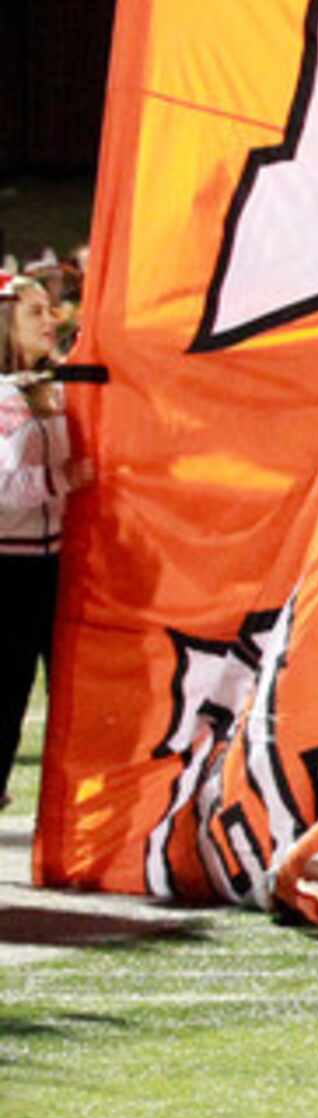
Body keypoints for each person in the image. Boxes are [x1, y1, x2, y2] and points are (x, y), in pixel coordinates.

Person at [0, 273, 85, 816]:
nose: (51, 320)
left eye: (50, 309)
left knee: (72, 694)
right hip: (7, 569)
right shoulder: (5, 398)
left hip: (56, 566)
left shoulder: (57, 387)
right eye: (34, 312)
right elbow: (3, 493)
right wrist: (64, 482)